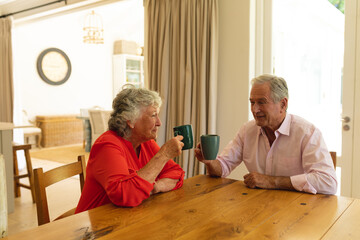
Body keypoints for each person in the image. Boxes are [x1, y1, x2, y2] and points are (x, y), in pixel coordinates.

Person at [195, 74, 337, 195]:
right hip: (258, 207)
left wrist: (272, 181)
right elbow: (223, 167)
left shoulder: (307, 133)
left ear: (283, 104)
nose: (255, 110)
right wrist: (210, 161)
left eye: (262, 102)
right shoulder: (247, 130)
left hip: (297, 212)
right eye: (252, 102)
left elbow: (328, 182)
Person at [76, 87, 185, 213]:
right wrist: (164, 154)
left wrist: (155, 187)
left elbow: (176, 173)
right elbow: (125, 196)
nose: (159, 123)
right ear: (130, 121)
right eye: (153, 115)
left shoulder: (146, 142)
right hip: (95, 226)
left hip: (128, 217)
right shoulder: (107, 146)